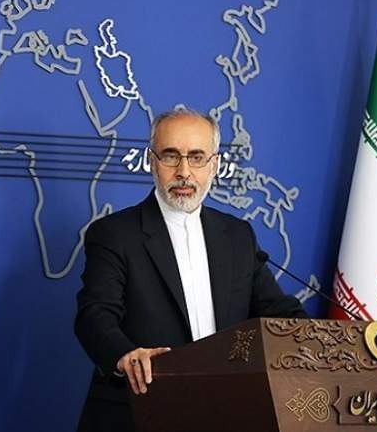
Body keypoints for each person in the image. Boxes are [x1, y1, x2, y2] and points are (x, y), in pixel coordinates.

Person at [74, 109, 308, 432]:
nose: (184, 172)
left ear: (214, 164)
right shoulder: (114, 234)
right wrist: (125, 355)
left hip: (224, 413)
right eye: (171, 156)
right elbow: (95, 315)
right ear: (152, 161)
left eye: (197, 157)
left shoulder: (238, 235)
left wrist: (333, 342)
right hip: (139, 411)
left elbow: (279, 312)